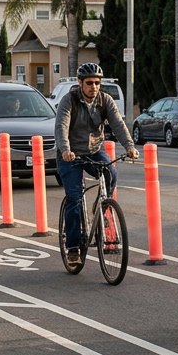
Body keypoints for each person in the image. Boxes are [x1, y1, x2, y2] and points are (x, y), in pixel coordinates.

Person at [55, 63, 139, 268]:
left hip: (94, 150)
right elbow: (61, 127)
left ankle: (102, 207)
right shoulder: (69, 101)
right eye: (90, 83)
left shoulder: (105, 100)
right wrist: (65, 149)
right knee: (74, 199)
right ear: (80, 83)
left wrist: (130, 147)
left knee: (111, 172)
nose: (94, 87)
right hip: (70, 154)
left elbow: (118, 124)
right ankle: (73, 247)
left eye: (97, 83)